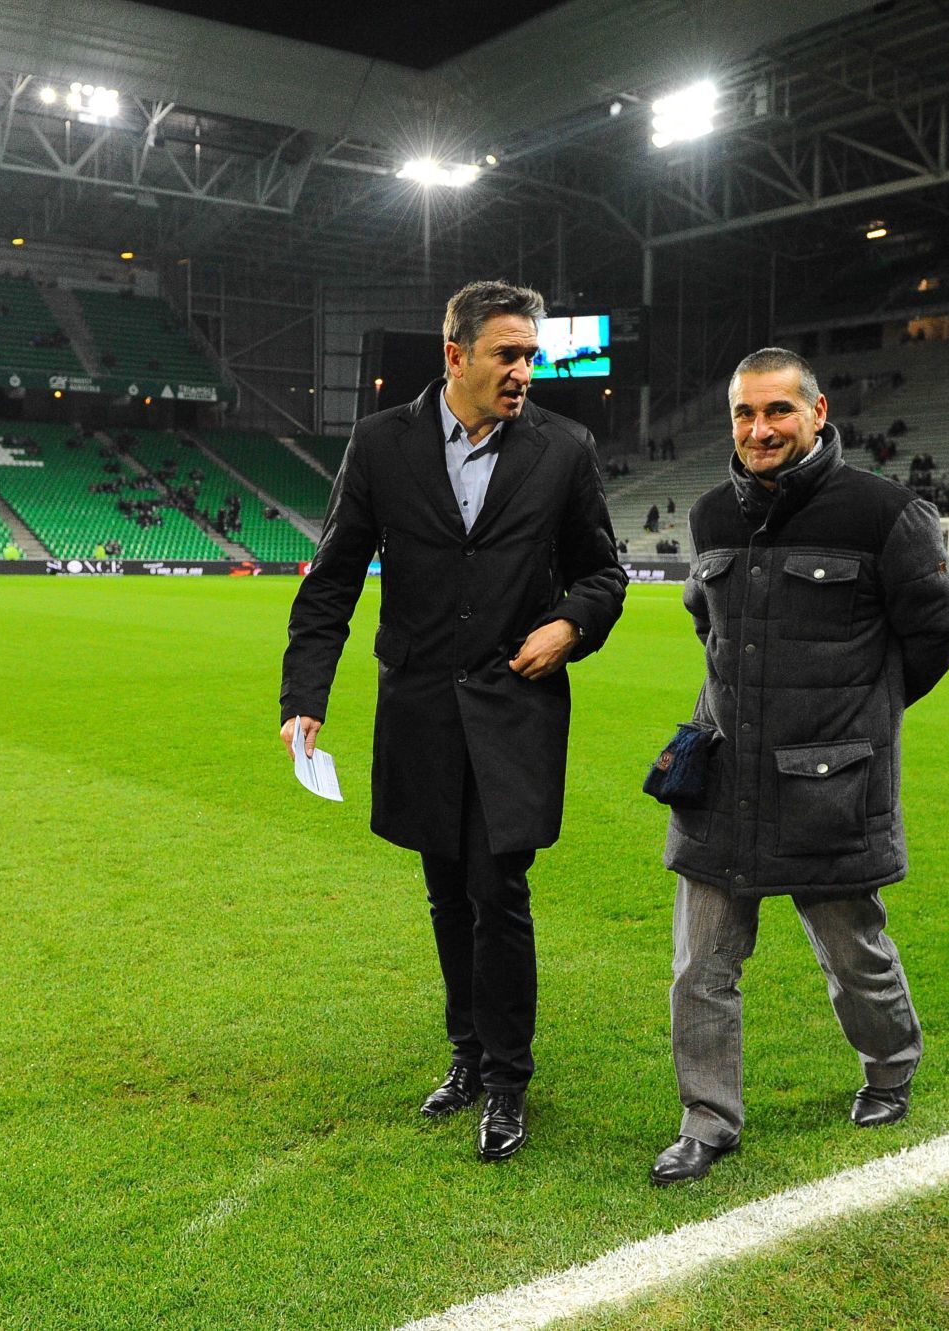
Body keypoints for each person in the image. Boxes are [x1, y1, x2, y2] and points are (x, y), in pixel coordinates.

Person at [279, 280, 627, 1163]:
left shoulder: (565, 448)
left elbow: (603, 573)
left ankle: (508, 1079)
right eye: (507, 353)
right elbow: (332, 579)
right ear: (455, 356)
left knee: (497, 889)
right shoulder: (380, 444)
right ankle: (467, 1053)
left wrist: (571, 625)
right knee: (445, 890)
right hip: (422, 707)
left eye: (530, 354)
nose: (524, 370)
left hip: (515, 707)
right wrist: (304, 699)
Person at [650, 347, 949, 1185]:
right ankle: (708, 1118)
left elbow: (932, 640)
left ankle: (891, 1065)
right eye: (746, 414)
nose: (760, 429)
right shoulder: (712, 514)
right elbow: (706, 624)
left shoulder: (887, 514)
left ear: (818, 413)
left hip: (828, 783)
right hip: (722, 774)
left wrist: (853, 721)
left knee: (851, 950)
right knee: (701, 964)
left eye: (778, 411)